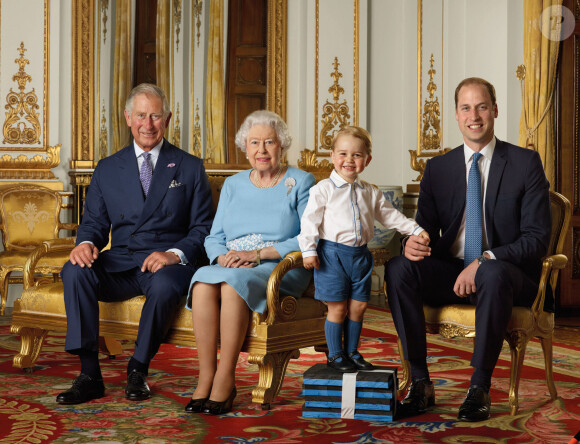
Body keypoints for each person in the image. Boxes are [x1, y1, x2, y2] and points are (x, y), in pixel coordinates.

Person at [385, 77, 551, 422]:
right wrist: (411, 243)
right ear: (456, 115)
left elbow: (536, 239)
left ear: (494, 110)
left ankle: (479, 387)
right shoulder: (439, 168)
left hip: (508, 274)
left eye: (481, 106)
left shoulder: (524, 163)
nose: (474, 115)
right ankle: (419, 383)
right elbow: (425, 230)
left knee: (490, 271)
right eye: (466, 108)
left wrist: (486, 258)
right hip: (452, 271)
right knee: (399, 267)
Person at [56, 84, 214, 405]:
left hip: (167, 263)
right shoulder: (108, 168)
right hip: (123, 260)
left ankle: (138, 369)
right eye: (141, 115)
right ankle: (90, 374)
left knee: (167, 284)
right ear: (128, 117)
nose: (148, 124)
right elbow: (95, 225)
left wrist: (174, 254)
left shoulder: (190, 166)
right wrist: (86, 243)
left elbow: (204, 228)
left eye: (155, 116)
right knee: (75, 269)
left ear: (167, 119)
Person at [185, 110, 315, 415]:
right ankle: (206, 376)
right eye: (254, 142)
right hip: (232, 264)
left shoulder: (300, 181)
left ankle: (225, 378)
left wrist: (258, 255)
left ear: (282, 145)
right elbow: (213, 236)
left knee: (232, 287)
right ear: (245, 147)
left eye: (269, 142)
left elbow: (309, 236)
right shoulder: (233, 184)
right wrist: (222, 257)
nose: (261, 150)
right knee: (203, 281)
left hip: (278, 267)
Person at [298, 126, 429, 373]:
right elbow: (309, 222)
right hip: (332, 255)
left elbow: (390, 216)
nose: (349, 160)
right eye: (343, 154)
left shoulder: (370, 191)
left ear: (367, 160)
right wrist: (308, 250)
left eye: (356, 155)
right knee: (337, 307)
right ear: (332, 157)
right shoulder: (322, 190)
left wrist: (414, 229)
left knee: (358, 307)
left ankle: (352, 351)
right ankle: (335, 355)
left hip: (360, 257)